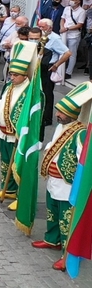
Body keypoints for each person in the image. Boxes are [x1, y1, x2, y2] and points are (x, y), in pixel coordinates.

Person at [31, 85, 91, 271]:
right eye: (58, 111)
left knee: (67, 219)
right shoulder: (61, 127)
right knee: (53, 212)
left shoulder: (80, 132)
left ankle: (67, 251)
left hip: (68, 185)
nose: (57, 114)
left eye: (61, 113)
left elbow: (84, 158)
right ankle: (52, 239)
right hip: (53, 180)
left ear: (72, 114)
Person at [0, 44, 35, 211]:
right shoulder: (10, 86)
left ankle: (20, 195)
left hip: (17, 135)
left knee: (17, 165)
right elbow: (2, 101)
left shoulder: (30, 92)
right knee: (5, 161)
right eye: (11, 74)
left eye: (15, 75)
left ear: (24, 76)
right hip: (3, 132)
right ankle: (8, 189)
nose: (12, 77)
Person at [38, 18, 72, 124]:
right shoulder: (40, 36)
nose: (40, 29)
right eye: (39, 26)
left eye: (42, 27)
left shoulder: (55, 38)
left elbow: (67, 53)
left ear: (49, 27)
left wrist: (56, 65)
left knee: (47, 93)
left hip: (48, 67)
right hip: (39, 66)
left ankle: (47, 118)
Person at [61, 0, 86, 79]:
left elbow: (79, 24)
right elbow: (62, 19)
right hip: (64, 34)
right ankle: (61, 70)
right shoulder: (67, 8)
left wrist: (67, 28)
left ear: (78, 1)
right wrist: (62, 27)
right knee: (62, 52)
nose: (70, 1)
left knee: (72, 54)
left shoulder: (82, 11)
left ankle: (68, 72)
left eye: (73, 0)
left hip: (74, 35)